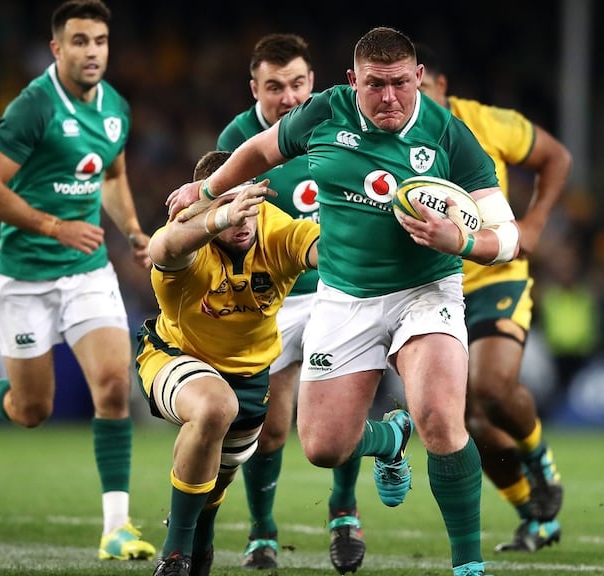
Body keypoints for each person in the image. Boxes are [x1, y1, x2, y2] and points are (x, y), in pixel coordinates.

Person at [167, 27, 521, 576]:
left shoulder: (450, 135)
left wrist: (465, 244)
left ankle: (467, 567)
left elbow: (508, 235)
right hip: (343, 295)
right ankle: (391, 437)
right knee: (324, 447)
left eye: (400, 83)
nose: (388, 97)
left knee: (440, 418)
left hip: (424, 292)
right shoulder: (324, 112)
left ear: (418, 78)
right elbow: (259, 150)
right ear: (352, 80)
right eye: (375, 84)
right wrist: (207, 190)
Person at [0, 0, 156, 561]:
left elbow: (112, 174)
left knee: (111, 385)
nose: (92, 52)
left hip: (86, 271)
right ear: (57, 49)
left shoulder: (115, 109)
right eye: (79, 41)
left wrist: (130, 228)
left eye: (100, 41)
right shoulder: (33, 108)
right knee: (32, 411)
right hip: (23, 277)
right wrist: (54, 225)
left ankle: (116, 527)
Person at [215, 33, 366, 573]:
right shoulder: (238, 140)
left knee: (344, 411)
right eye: (274, 86)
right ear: (254, 87)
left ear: (312, 80)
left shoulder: (332, 124)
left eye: (298, 84)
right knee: (271, 425)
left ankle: (344, 509)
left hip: (336, 290)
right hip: (273, 298)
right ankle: (262, 531)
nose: (287, 96)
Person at [417, 44, 572, 553]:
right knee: (463, 422)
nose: (406, 100)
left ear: (439, 84)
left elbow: (556, 156)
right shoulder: (388, 137)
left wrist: (534, 223)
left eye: (416, 88)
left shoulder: (487, 122)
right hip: (431, 287)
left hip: (494, 276)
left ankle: (541, 464)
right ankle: (536, 515)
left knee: (492, 388)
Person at [140, 151, 320, 576]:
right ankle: (174, 553)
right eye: (227, 205)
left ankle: (199, 546)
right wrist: (215, 219)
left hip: (252, 376)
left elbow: (321, 249)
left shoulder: (277, 228)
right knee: (214, 408)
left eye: (247, 205)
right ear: (204, 205)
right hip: (176, 355)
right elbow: (160, 248)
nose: (242, 218)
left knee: (217, 478)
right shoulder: (186, 237)